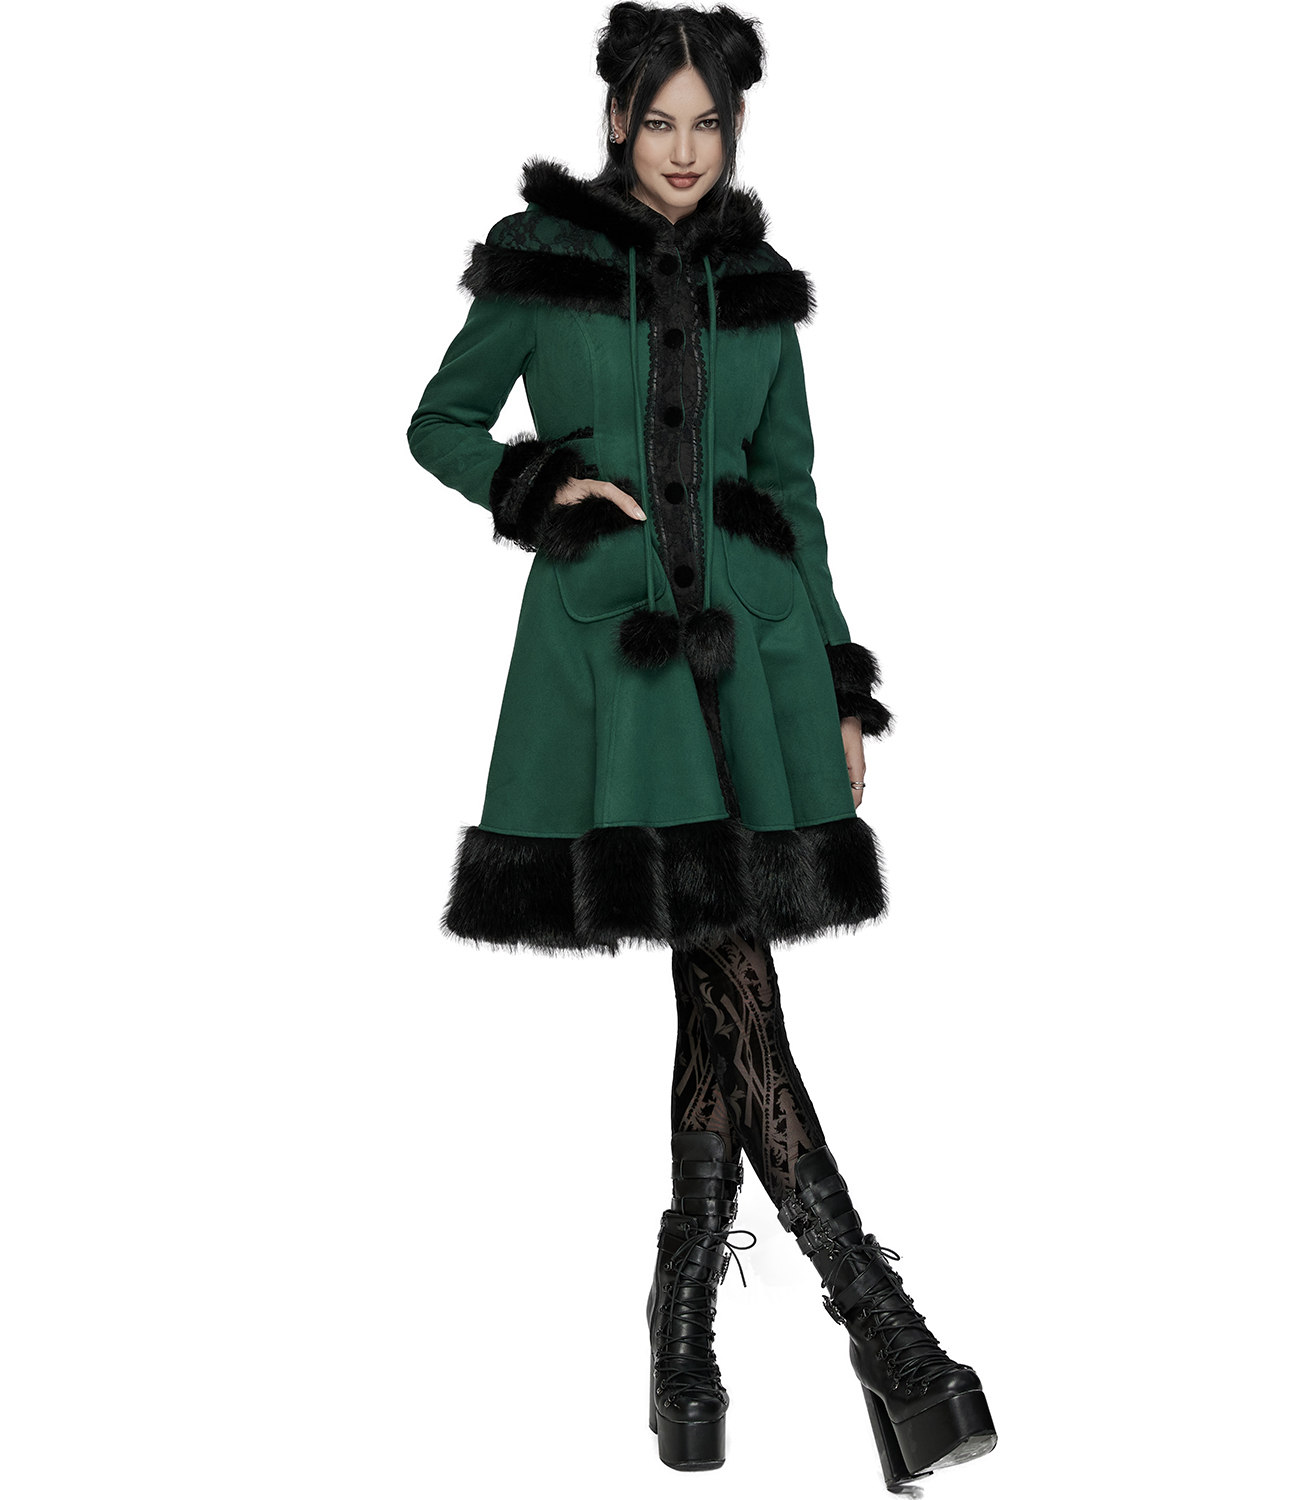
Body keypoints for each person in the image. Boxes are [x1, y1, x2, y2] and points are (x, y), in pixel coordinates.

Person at [407, 3, 997, 1486]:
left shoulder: (755, 285)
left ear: (734, 132)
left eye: (709, 125)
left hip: (761, 660)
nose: (684, 150)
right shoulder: (542, 261)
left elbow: (794, 491)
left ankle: (684, 1328)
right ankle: (879, 1324)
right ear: (617, 120)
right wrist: (540, 488)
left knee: (715, 973)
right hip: (621, 664)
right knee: (724, 962)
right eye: (660, 121)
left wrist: (843, 683)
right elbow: (439, 422)